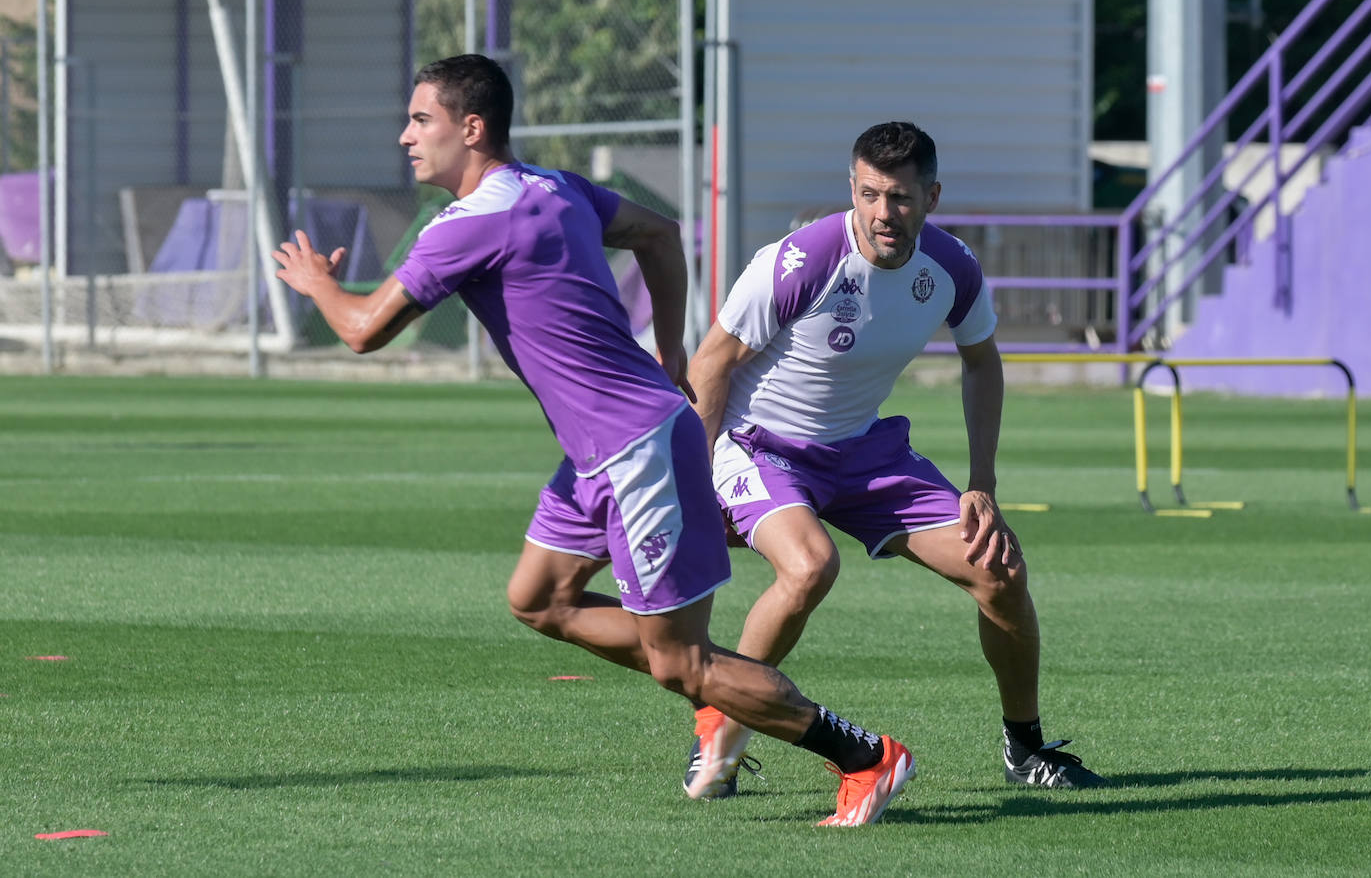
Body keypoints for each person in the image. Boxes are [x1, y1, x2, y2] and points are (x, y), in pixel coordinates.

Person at [271, 55, 914, 826]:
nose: (405, 136)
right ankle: (717, 680)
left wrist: (315, 284)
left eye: (421, 120)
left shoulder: (467, 225)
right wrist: (670, 356)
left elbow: (361, 330)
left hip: (634, 450)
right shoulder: (554, 187)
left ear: (470, 129)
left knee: (685, 664)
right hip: (607, 449)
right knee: (539, 599)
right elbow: (660, 233)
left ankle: (864, 757)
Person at [681, 121, 1107, 796]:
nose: (884, 212)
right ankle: (722, 732)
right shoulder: (798, 261)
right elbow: (709, 366)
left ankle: (1025, 750)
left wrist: (982, 485)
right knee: (810, 567)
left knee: (1000, 570)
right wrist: (698, 488)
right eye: (871, 194)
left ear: (931, 196)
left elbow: (982, 363)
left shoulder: (953, 269)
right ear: (852, 188)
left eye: (901, 197)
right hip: (761, 446)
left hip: (865, 451)